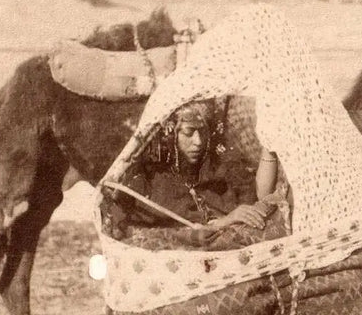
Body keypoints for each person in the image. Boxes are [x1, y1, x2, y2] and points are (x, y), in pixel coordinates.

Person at [104, 98, 285, 250]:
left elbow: (259, 199)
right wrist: (226, 221)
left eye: (202, 132)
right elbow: (158, 235)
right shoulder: (151, 182)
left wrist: (269, 146)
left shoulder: (220, 168)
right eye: (189, 133)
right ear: (170, 134)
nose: (198, 142)